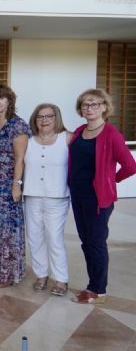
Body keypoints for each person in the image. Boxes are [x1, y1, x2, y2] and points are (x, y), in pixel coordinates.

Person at [69, 89, 136, 304]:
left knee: (96, 242)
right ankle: (93, 284)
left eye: (94, 104)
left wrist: (111, 180)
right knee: (86, 241)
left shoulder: (111, 134)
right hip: (78, 195)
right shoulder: (80, 131)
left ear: (105, 107)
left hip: (97, 198)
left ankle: (98, 290)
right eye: (85, 105)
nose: (89, 108)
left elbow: (130, 166)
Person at [0, 84, 30, 287]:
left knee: (6, 231)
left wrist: (16, 184)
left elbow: (20, 159)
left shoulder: (17, 124)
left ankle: (6, 274)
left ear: (9, 101)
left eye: (1, 98)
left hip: (7, 184)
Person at [24, 103, 72, 297]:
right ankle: (41, 275)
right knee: (34, 238)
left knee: (54, 238)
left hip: (57, 197)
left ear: (56, 118)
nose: (44, 120)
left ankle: (61, 279)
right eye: (40, 117)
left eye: (49, 116)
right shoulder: (28, 140)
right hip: (32, 196)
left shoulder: (67, 139)